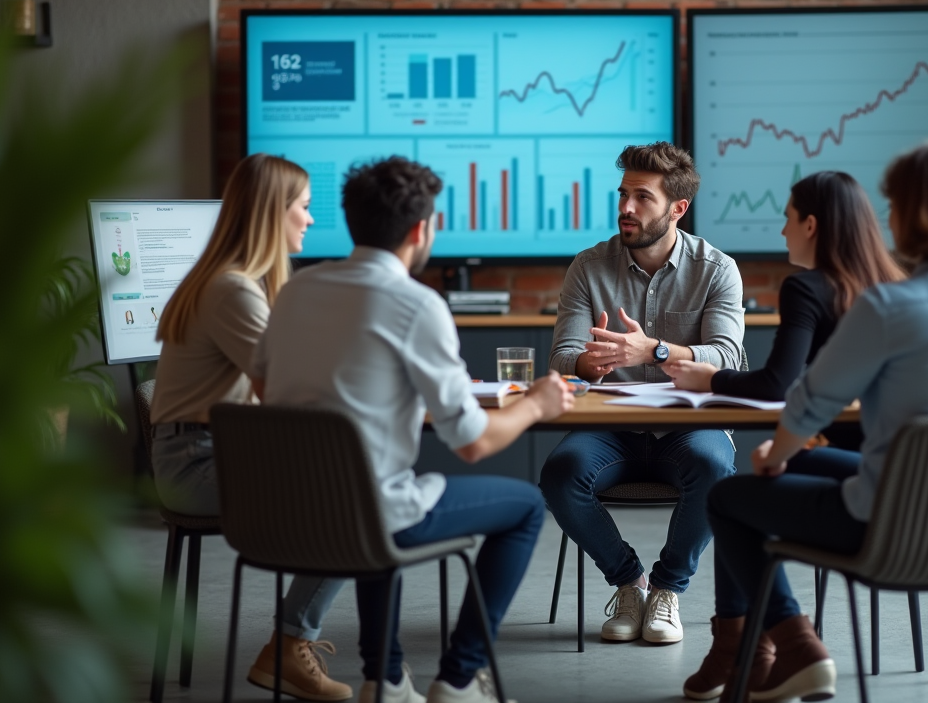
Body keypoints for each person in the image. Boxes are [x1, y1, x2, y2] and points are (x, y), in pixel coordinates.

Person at [686, 142, 928, 702]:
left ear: (910, 215)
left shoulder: (893, 308)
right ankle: (750, 650)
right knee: (811, 465)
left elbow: (808, 401)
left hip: (894, 524)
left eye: (894, 204)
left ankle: (795, 646)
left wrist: (775, 456)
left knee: (729, 496)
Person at [251, 156, 574, 703]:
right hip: (370, 514)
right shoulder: (416, 304)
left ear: (351, 220)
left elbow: (263, 387)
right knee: (524, 506)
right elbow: (473, 443)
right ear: (421, 230)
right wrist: (537, 406)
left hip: (287, 513)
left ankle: (387, 678)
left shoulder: (295, 292)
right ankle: (460, 677)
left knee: (385, 484)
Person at [150, 154, 351, 701]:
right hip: (197, 463)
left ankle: (289, 643)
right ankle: (288, 647)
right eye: (304, 208)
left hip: (207, 452)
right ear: (272, 213)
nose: (311, 220)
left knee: (354, 485)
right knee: (354, 500)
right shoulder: (232, 290)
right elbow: (289, 389)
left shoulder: (235, 284)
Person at [541, 142, 745, 646]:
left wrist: (651, 351)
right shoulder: (588, 267)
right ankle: (630, 582)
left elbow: (728, 358)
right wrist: (592, 361)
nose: (626, 208)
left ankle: (668, 589)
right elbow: (563, 359)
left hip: (690, 426)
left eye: (642, 197)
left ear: (677, 208)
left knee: (716, 469)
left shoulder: (717, 269)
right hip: (609, 427)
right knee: (559, 475)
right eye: (623, 194)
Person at [664, 170, 903, 402]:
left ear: (810, 225)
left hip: (853, 439)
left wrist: (712, 379)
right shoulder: (895, 285)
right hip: (900, 438)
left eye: (788, 218)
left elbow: (777, 384)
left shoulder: (804, 289)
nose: (784, 231)